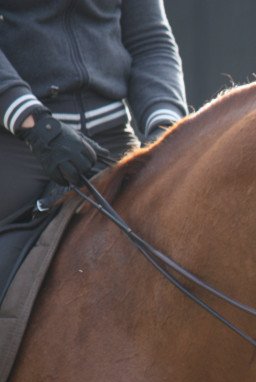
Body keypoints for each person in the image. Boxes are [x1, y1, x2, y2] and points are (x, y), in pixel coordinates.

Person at [0, 0, 189, 300]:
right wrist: (37, 127)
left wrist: (164, 129)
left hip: (113, 140)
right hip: (19, 139)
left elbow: (151, 41)